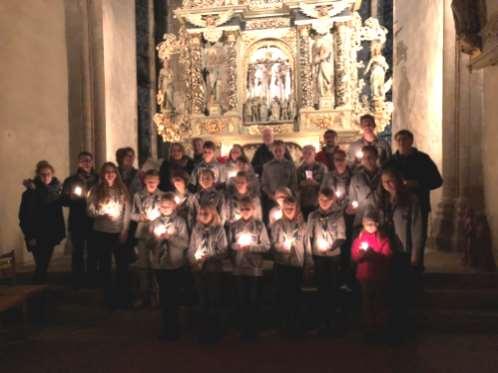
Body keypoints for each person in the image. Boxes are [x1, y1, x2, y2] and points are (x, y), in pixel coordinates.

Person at [385, 129, 443, 264]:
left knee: (418, 239)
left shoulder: (423, 159)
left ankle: (417, 269)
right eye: (399, 140)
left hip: (419, 204)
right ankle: (402, 269)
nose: (402, 142)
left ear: (411, 141)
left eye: (405, 139)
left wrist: (418, 183)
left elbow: (437, 181)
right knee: (398, 239)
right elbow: (384, 182)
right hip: (398, 207)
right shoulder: (391, 162)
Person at [379, 168, 424, 340]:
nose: (388, 184)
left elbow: (417, 228)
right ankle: (390, 327)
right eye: (385, 182)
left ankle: (403, 328)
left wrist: (415, 254)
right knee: (389, 290)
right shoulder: (383, 200)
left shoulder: (411, 200)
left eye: (391, 180)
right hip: (386, 251)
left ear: (398, 180)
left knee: (402, 291)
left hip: (403, 251)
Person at [87, 162, 131, 308]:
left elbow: (127, 212)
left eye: (112, 171)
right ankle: (108, 298)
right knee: (105, 266)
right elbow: (90, 211)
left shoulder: (122, 190)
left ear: (116, 173)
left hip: (118, 232)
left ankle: (122, 297)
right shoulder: (95, 190)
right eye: (107, 171)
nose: (110, 174)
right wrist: (103, 213)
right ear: (102, 174)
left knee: (122, 266)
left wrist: (124, 230)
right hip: (101, 232)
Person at [228, 197, 271, 341]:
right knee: (241, 298)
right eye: (242, 209)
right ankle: (242, 329)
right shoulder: (234, 226)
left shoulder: (259, 225)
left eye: (247, 209)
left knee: (253, 299)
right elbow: (229, 244)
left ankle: (253, 329)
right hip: (239, 266)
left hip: (254, 267)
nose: (245, 211)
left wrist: (251, 247)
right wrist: (237, 246)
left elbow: (266, 246)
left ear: (253, 209)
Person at [306, 187, 346, 335]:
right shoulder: (313, 216)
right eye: (322, 199)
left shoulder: (338, 215)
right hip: (318, 256)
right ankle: (322, 322)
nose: (324, 202)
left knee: (333, 287)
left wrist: (332, 246)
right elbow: (308, 236)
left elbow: (342, 236)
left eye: (328, 200)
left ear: (333, 200)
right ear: (318, 198)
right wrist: (309, 256)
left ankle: (334, 323)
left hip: (333, 256)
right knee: (322, 287)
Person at [150, 193, 189, 341]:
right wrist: (157, 239)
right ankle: (165, 327)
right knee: (164, 297)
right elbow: (149, 244)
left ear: (174, 206)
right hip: (160, 264)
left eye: (168, 206)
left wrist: (171, 238)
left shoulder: (180, 222)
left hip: (175, 264)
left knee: (174, 296)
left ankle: (175, 327)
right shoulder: (154, 223)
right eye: (162, 206)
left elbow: (185, 243)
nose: (165, 208)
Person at [188, 201, 228, 343]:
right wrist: (194, 260)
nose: (203, 215)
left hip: (213, 269)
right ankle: (202, 330)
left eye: (206, 213)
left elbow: (223, 251)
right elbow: (191, 248)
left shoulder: (219, 230)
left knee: (213, 298)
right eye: (200, 213)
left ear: (213, 214)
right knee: (202, 298)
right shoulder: (196, 229)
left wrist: (209, 256)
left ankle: (215, 331)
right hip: (199, 269)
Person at [270, 196, 311, 337]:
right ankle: (283, 326)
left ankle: (295, 327)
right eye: (286, 208)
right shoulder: (277, 225)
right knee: (283, 295)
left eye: (291, 208)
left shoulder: (303, 226)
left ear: (297, 209)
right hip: (282, 264)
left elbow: (307, 246)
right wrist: (284, 249)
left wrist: (308, 264)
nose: (289, 210)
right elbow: (273, 245)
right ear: (282, 209)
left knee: (296, 296)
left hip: (297, 265)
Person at [19, 161, 65, 283]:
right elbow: (24, 216)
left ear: (52, 174)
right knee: (41, 263)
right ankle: (38, 289)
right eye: (42, 174)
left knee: (43, 264)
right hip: (36, 233)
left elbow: (58, 213)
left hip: (50, 232)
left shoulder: (57, 191)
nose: (46, 177)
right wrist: (29, 235)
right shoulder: (30, 193)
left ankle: (39, 289)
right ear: (38, 175)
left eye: (48, 174)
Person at [351, 210, 392, 340]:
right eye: (367, 223)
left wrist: (371, 254)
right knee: (366, 303)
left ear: (377, 223)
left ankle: (379, 328)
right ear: (363, 224)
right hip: (364, 276)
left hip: (378, 276)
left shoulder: (383, 238)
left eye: (372, 223)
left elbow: (387, 256)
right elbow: (354, 257)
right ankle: (368, 328)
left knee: (378, 302)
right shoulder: (359, 239)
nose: (370, 226)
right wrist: (362, 254)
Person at [61, 151, 99, 289]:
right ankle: (78, 280)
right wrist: (71, 198)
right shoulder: (70, 180)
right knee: (78, 251)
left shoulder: (98, 179)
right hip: (78, 220)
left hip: (94, 220)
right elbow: (63, 200)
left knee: (93, 251)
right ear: (79, 163)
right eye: (83, 160)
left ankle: (92, 279)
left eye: (88, 160)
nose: (86, 163)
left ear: (92, 162)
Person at [130, 169, 164, 308]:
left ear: (158, 182)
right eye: (149, 181)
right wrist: (140, 217)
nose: (151, 183)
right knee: (143, 265)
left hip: (157, 234)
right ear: (144, 181)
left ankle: (156, 296)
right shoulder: (138, 196)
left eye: (154, 181)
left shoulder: (163, 196)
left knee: (157, 264)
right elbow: (131, 213)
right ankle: (143, 295)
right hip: (143, 232)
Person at [347, 145, 383, 231]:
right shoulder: (355, 178)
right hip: (361, 221)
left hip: (381, 221)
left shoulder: (384, 176)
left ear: (376, 158)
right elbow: (352, 199)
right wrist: (351, 207)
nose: (367, 160)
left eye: (370, 157)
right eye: (364, 157)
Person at [261, 140, 297, 221]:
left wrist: (288, 196)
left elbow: (294, 182)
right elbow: (264, 184)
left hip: (288, 200)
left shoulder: (290, 165)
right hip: (272, 200)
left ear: (284, 150)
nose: (278, 153)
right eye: (275, 151)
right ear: (272, 151)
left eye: (280, 150)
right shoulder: (267, 166)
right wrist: (271, 195)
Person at [297, 145, 327, 218]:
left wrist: (316, 184)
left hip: (319, 202)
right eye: (305, 153)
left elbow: (326, 184)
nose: (307, 155)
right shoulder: (299, 169)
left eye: (309, 153)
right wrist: (302, 184)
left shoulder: (322, 167)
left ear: (315, 154)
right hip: (304, 202)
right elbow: (295, 185)